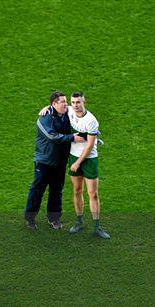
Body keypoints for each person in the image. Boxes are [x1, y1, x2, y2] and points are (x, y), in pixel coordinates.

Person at [40, 91, 110, 239]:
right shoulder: (70, 111)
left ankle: (97, 227)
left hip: (89, 159)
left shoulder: (91, 121)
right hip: (73, 157)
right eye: (73, 102)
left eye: (78, 102)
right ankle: (79, 222)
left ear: (84, 101)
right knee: (77, 191)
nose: (75, 105)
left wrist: (78, 163)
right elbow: (56, 106)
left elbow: (90, 146)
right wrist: (46, 108)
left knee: (93, 193)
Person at [24, 91, 84, 230]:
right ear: (54, 104)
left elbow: (79, 112)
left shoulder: (66, 113)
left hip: (60, 162)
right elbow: (52, 137)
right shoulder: (44, 119)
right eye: (62, 102)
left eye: (65, 101)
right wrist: (72, 138)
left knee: (57, 191)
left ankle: (54, 219)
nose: (66, 104)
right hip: (44, 162)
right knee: (37, 190)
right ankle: (30, 219)